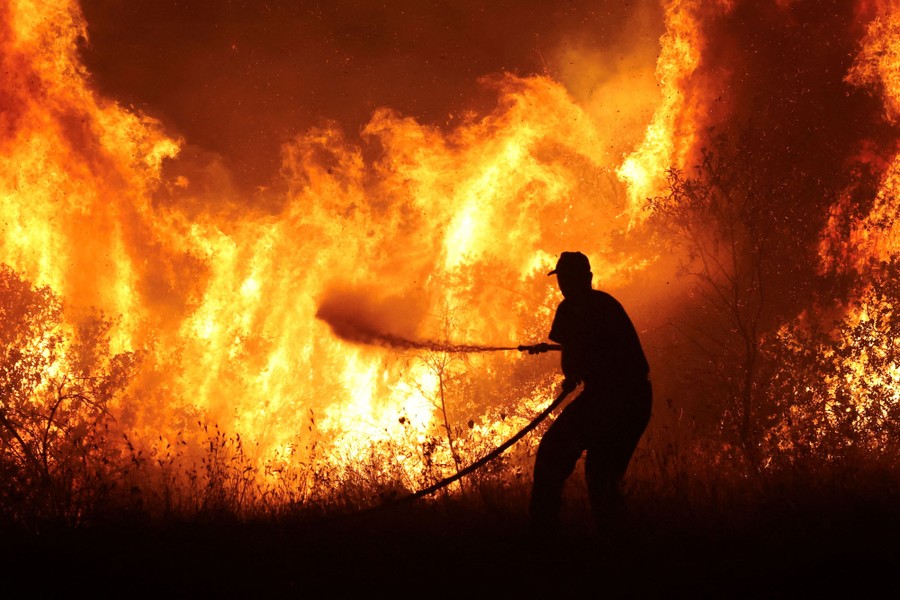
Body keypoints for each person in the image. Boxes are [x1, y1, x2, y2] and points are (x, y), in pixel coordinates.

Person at [528, 251, 652, 541]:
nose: (563, 285)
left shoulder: (572, 307)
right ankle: (616, 545)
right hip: (637, 399)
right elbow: (598, 345)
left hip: (609, 399)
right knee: (602, 478)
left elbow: (572, 360)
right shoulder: (606, 303)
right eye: (562, 279)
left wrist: (570, 376)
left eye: (565, 278)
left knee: (552, 454)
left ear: (583, 278)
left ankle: (541, 539)